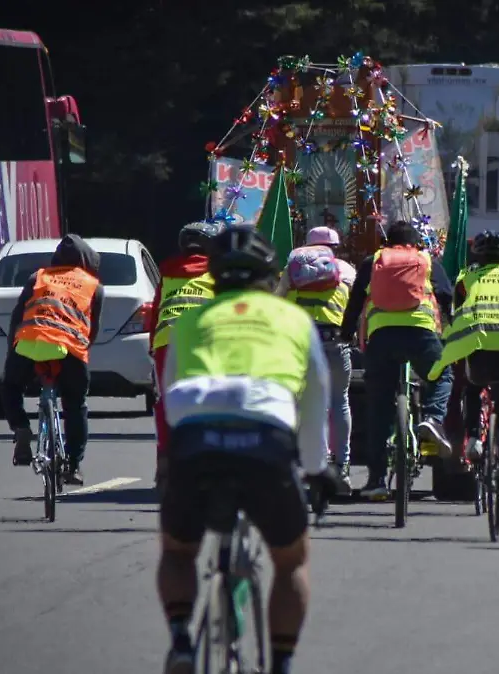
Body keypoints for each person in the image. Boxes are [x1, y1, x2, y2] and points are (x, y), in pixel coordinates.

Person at [156, 224, 341, 674]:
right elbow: (317, 394)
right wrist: (317, 468)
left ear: (215, 278)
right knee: (291, 559)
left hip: (196, 435)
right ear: (270, 276)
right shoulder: (292, 319)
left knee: (179, 550)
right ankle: (281, 662)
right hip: (266, 436)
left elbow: (169, 392)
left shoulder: (191, 321)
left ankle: (181, 639)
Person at [428, 231, 499, 518]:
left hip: (479, 345)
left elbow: (455, 314)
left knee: (471, 387)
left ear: (477, 258)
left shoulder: (466, 279)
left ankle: (473, 439)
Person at [339, 220, 455, 498]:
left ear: (387, 243)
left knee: (379, 406)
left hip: (381, 336)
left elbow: (355, 301)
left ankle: (377, 481)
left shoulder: (374, 261)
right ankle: (432, 418)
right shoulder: (426, 260)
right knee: (442, 375)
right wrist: (448, 328)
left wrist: (346, 335)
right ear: (416, 243)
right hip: (422, 333)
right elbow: (446, 295)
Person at [1, 234, 103, 486]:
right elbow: (92, 329)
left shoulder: (37, 277)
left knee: (10, 386)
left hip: (29, 340)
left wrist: (12, 353)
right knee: (75, 404)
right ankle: (73, 464)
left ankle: (22, 429)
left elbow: (17, 317)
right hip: (68, 346)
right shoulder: (93, 285)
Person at [276, 226, 358, 494]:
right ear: (334, 246)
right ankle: (343, 467)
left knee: (312, 407)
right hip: (336, 341)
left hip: (303, 344)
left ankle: (318, 466)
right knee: (340, 400)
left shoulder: (293, 269)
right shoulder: (345, 270)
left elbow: (276, 301)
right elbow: (358, 304)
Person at [149, 221, 219, 493]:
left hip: (166, 342)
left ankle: (165, 463)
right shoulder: (217, 274)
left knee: (165, 404)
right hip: (203, 343)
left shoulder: (167, 272)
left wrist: (152, 346)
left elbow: (155, 312)